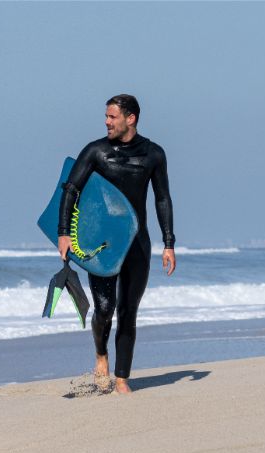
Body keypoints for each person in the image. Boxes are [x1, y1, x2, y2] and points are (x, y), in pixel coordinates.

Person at [57, 94, 175, 394]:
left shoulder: (154, 154)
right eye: (106, 117)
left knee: (128, 310)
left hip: (138, 243)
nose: (107, 122)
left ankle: (122, 378)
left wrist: (169, 243)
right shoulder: (96, 151)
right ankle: (101, 354)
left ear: (130, 118)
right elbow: (70, 190)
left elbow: (162, 198)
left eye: (112, 117)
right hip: (102, 245)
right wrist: (64, 234)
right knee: (104, 309)